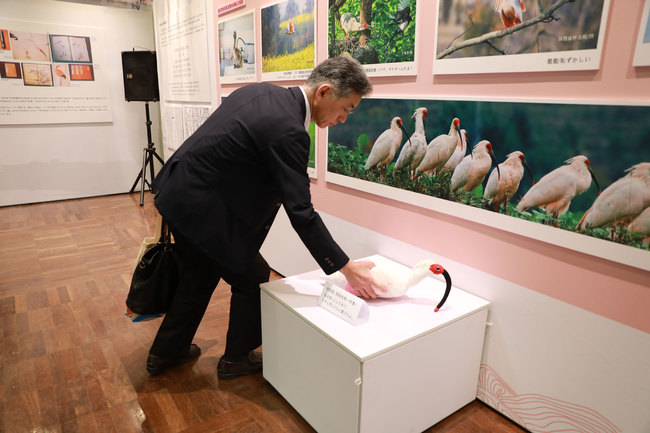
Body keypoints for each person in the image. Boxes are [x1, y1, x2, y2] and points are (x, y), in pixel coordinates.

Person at [145, 56, 384, 378]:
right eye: (347, 107)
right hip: (200, 209)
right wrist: (346, 267)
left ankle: (165, 353)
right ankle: (237, 359)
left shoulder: (260, 92)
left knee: (197, 277)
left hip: (179, 195)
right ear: (324, 92)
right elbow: (300, 210)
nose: (344, 118)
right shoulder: (288, 130)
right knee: (253, 275)